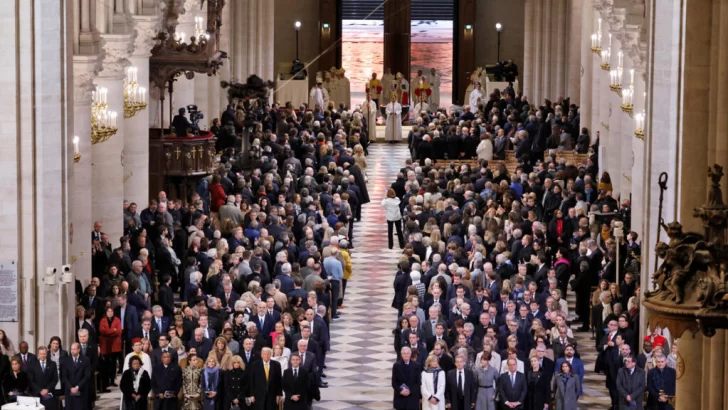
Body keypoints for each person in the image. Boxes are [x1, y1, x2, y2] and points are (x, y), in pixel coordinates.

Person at [61, 342, 91, 410]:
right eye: (71, 349)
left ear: (78, 350)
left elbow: (87, 376)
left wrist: (78, 387)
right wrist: (71, 388)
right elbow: (64, 376)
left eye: (74, 349)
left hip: (81, 390)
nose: (72, 351)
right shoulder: (66, 360)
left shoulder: (86, 360)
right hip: (69, 390)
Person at [99, 306, 122, 388]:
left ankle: (112, 380)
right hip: (105, 345)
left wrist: (108, 332)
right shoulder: (103, 320)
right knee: (107, 363)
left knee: (113, 364)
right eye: (108, 311)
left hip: (115, 345)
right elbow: (102, 331)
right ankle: (107, 381)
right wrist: (113, 331)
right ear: (106, 312)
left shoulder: (117, 320)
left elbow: (119, 331)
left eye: (111, 311)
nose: (110, 313)